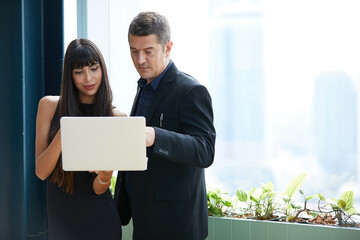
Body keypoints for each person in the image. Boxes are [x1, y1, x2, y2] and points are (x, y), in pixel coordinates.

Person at [115, 12, 216, 240]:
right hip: (144, 220)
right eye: (134, 51)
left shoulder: (191, 91)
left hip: (176, 224)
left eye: (148, 52)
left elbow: (205, 150)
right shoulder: (144, 88)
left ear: (167, 47)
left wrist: (155, 136)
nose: (140, 60)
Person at [35, 38, 126, 240]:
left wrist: (105, 174)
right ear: (70, 76)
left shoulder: (116, 118)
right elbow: (41, 172)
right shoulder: (49, 106)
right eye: (79, 72)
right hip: (61, 223)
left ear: (102, 69)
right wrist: (65, 130)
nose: (88, 78)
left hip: (101, 223)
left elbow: (99, 188)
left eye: (94, 68)